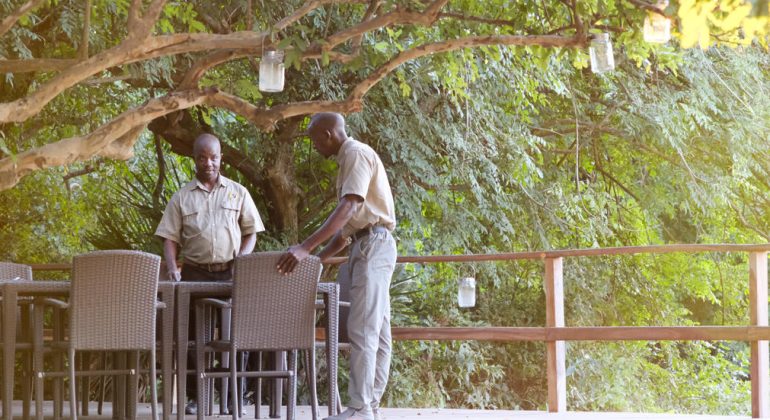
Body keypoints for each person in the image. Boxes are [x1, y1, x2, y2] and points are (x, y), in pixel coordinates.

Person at [277, 113, 397, 420]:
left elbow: (349, 207)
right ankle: (369, 406)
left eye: (315, 140)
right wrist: (314, 261)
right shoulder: (348, 160)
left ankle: (360, 408)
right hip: (364, 243)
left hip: (373, 244)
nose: (315, 147)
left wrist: (305, 246)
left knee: (363, 329)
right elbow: (344, 233)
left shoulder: (354, 153)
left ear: (329, 134)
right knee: (378, 331)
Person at [155, 133, 264, 414]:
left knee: (237, 335)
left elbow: (251, 231)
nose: (209, 163)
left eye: (214, 157)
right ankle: (194, 397)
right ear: (195, 160)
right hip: (194, 274)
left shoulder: (237, 192)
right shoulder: (181, 197)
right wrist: (172, 268)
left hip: (230, 275)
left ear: (221, 159)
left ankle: (233, 396)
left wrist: (244, 257)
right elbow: (169, 238)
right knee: (192, 338)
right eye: (203, 157)